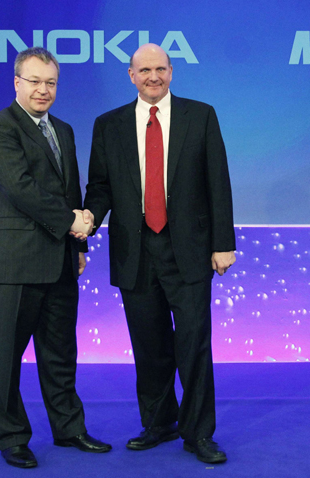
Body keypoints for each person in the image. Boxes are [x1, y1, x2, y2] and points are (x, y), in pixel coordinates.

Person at [84, 43, 236, 464]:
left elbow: (218, 182)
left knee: (193, 345)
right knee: (149, 345)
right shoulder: (108, 124)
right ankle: (158, 422)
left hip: (188, 249)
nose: (153, 77)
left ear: (171, 72)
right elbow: (100, 186)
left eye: (161, 69)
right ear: (131, 76)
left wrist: (224, 243)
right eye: (145, 70)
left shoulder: (200, 115)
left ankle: (198, 433)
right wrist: (87, 223)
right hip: (134, 251)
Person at [0, 47, 111, 468]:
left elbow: (71, 191)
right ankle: (13, 437)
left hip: (61, 261)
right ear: (17, 82)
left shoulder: (64, 130)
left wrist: (80, 245)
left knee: (60, 354)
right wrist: (73, 222)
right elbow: (20, 189)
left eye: (50, 82)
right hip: (16, 263)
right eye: (34, 81)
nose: (43, 89)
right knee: (6, 357)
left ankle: (70, 429)